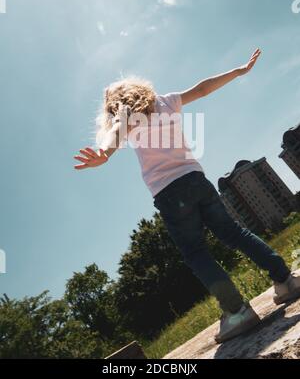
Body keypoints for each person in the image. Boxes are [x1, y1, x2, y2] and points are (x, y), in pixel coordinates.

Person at [73, 48, 300, 343]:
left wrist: (104, 152)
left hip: (169, 192)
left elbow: (115, 132)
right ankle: (286, 280)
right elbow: (203, 89)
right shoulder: (165, 102)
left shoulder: (127, 116)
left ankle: (237, 312)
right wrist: (238, 71)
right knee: (235, 232)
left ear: (116, 106)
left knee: (195, 252)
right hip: (196, 179)